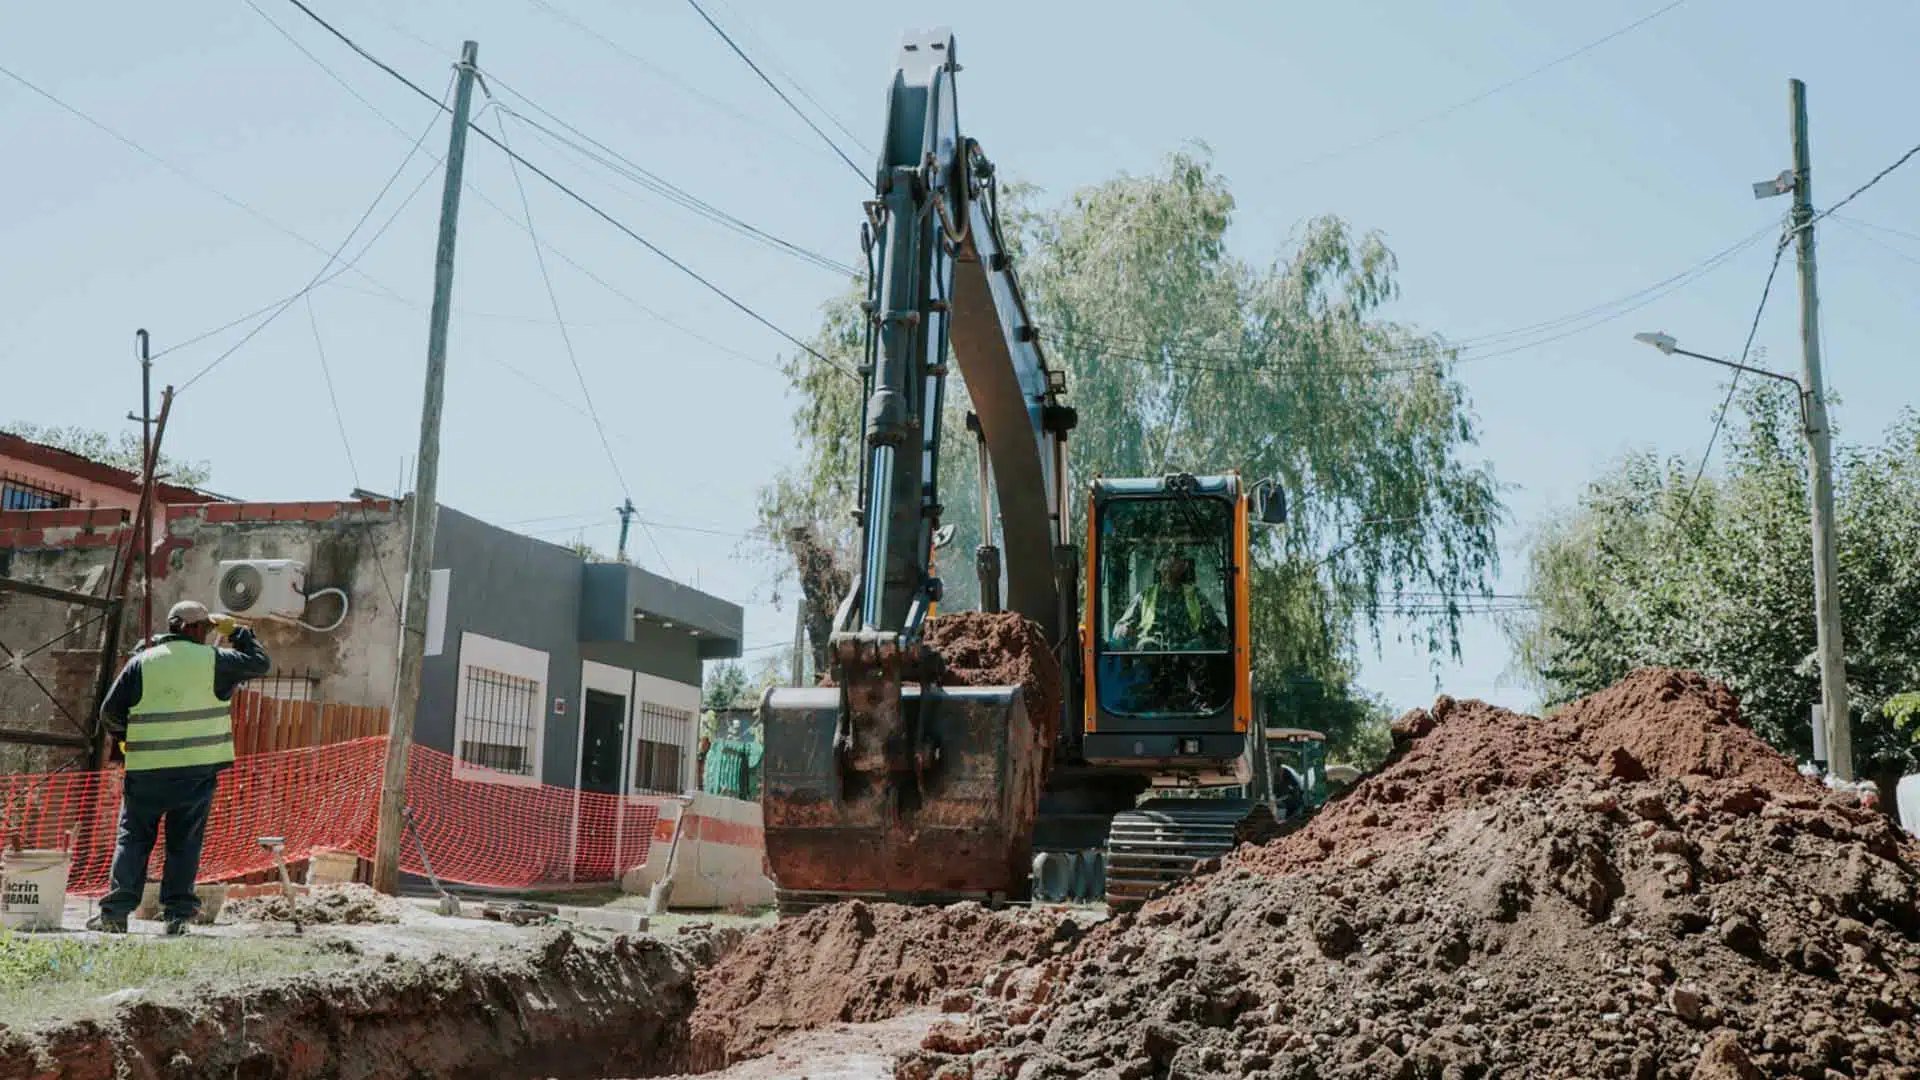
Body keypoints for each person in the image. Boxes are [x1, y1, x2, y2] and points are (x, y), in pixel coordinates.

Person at [87, 600, 270, 935]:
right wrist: (238, 633)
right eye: (206, 629)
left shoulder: (142, 662)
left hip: (147, 770)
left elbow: (109, 712)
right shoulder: (216, 660)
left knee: (133, 839)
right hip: (195, 773)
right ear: (193, 628)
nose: (207, 635)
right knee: (184, 843)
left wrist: (127, 738)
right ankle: (176, 917)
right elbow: (260, 663)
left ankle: (115, 914)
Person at [1109, 552, 1225, 650]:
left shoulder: (1195, 596)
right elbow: (1119, 628)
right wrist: (1124, 629)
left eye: (1174, 561)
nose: (1168, 566)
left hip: (1188, 657)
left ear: (1183, 566)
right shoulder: (1145, 596)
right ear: (1158, 566)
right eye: (1165, 561)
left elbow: (1216, 629)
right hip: (1151, 660)